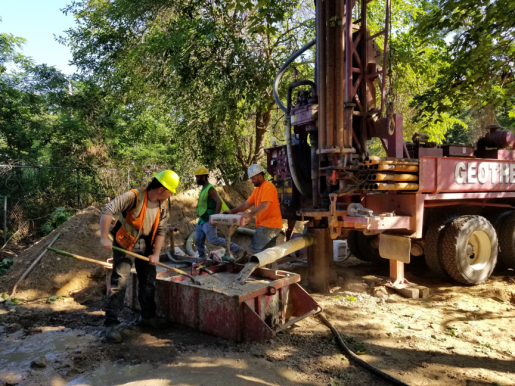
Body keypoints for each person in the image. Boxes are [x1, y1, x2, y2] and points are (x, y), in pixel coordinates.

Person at [99, 170, 179, 343]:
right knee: (119, 282)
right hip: (125, 243)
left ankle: (147, 317)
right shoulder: (133, 197)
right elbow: (108, 210)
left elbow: (161, 230)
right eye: (170, 191)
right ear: (161, 188)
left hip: (147, 245)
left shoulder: (162, 204)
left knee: (148, 282)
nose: (171, 194)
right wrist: (104, 237)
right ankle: (111, 324)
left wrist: (156, 254)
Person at [224, 164, 283, 254]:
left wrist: (248, 214)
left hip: (269, 225)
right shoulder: (257, 190)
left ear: (260, 176)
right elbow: (246, 204)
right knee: (268, 255)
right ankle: (270, 268)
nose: (251, 181)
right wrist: (231, 211)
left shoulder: (268, 187)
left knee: (254, 252)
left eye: (253, 178)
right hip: (269, 225)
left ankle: (255, 268)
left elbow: (264, 205)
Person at [194, 166, 244, 260]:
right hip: (202, 220)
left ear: (204, 177)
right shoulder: (203, 188)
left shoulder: (210, 189)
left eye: (198, 177)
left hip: (208, 220)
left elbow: (219, 202)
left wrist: (215, 218)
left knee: (214, 240)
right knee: (198, 241)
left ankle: (238, 249)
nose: (196, 179)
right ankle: (202, 258)